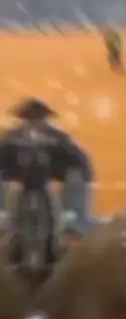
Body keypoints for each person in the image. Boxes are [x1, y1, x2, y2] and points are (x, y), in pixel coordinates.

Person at [0, 98, 96, 233]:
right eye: (30, 118)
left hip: (50, 170)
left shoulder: (58, 137)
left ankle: (74, 217)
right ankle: (2, 215)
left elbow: (80, 161)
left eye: (38, 118)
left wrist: (79, 175)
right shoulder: (11, 137)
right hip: (18, 170)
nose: (34, 122)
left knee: (76, 175)